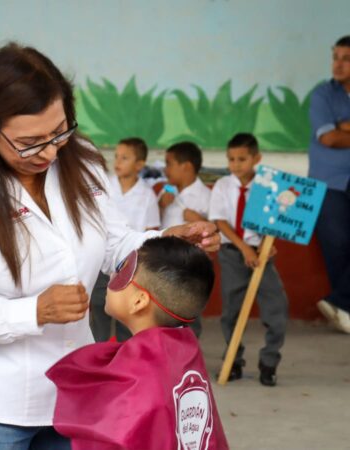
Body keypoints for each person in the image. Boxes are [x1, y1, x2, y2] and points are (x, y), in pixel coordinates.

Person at [0, 43, 219, 450]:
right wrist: (35, 310)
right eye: (30, 141)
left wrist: (164, 241)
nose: (49, 151)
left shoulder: (82, 161)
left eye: (59, 132)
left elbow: (113, 242)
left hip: (72, 391)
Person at [47, 237, 228, 450]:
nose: (112, 275)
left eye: (123, 271)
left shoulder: (136, 380)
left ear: (139, 301)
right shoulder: (185, 355)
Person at [209, 132, 287, 386]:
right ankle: (233, 361)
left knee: (277, 308)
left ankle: (269, 362)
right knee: (231, 311)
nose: (236, 164)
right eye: (231, 159)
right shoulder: (222, 186)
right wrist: (244, 249)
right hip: (234, 254)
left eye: (242, 158)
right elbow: (220, 221)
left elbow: (275, 220)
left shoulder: (269, 187)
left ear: (257, 158)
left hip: (262, 256)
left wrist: (266, 245)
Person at [89, 137, 160, 342]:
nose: (117, 162)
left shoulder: (147, 195)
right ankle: (97, 361)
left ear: (139, 164)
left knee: (128, 321)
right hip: (103, 263)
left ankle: (124, 363)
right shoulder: (102, 186)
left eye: (125, 158)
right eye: (117, 157)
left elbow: (152, 230)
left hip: (133, 267)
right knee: (98, 314)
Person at [310, 35, 350, 334]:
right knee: (336, 246)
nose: (338, 64)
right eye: (335, 57)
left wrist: (345, 126)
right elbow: (329, 138)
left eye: (346, 58)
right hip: (330, 181)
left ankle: (339, 303)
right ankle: (344, 310)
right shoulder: (322, 94)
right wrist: (338, 130)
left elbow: (340, 134)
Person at [158, 141, 211, 337]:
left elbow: (215, 231)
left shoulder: (205, 195)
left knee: (188, 310)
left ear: (186, 166)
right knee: (163, 310)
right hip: (164, 259)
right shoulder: (167, 191)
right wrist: (161, 205)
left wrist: (200, 220)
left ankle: (189, 350)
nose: (165, 169)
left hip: (191, 263)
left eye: (169, 163)